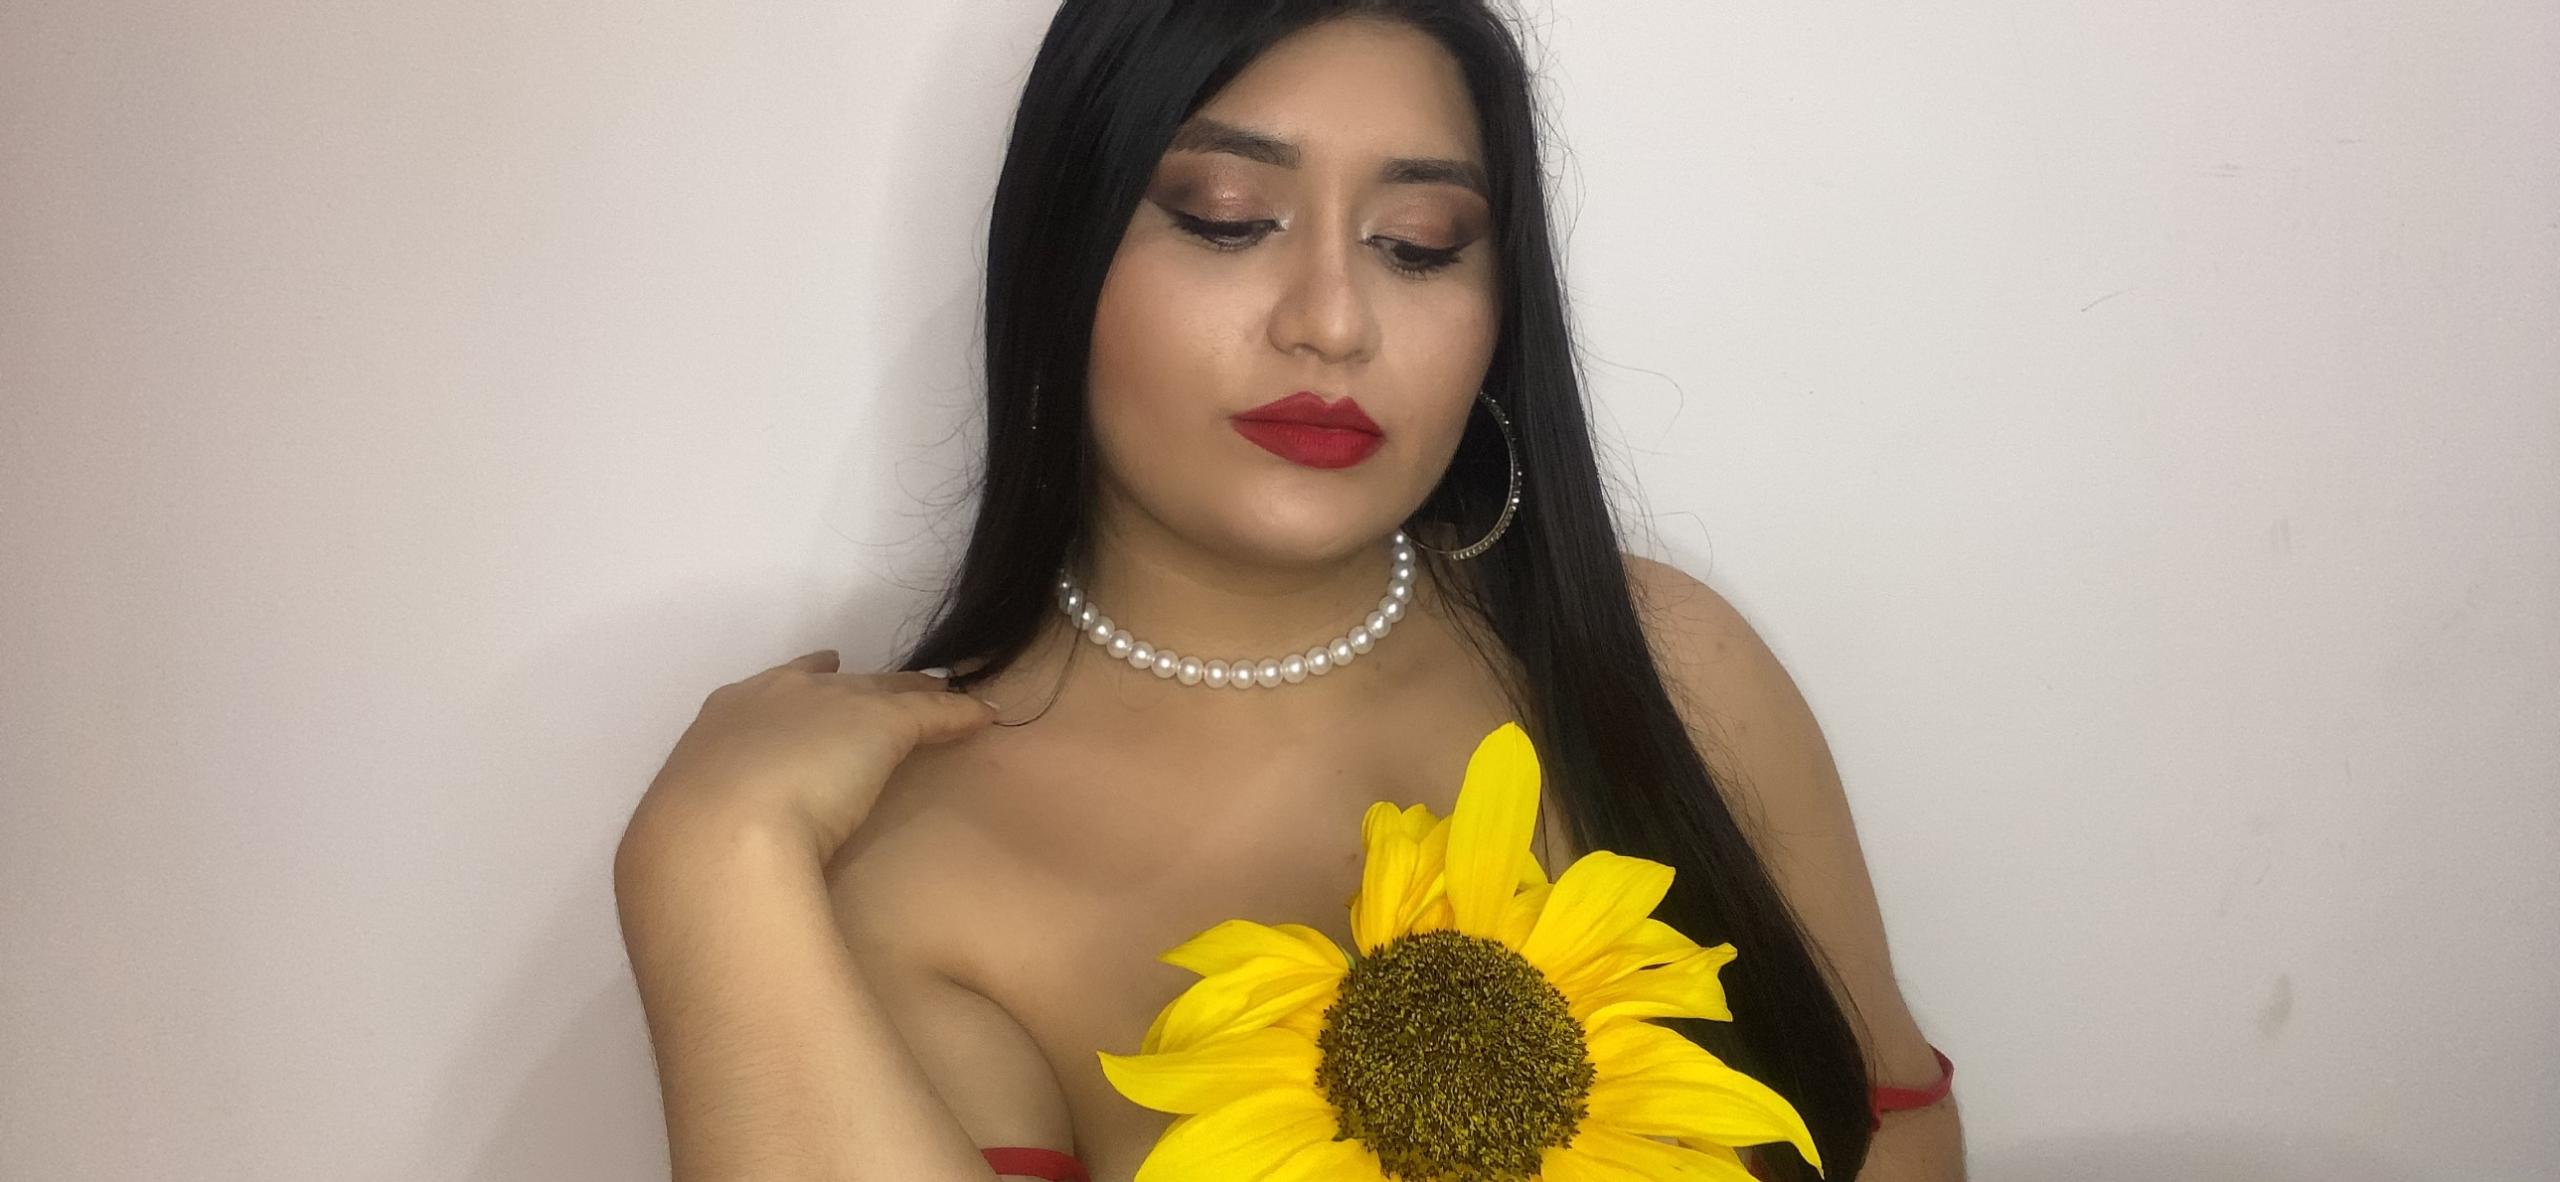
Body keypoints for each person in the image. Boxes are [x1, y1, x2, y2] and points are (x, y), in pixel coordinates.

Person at [612, 3, 1963, 1180]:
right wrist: (706, 862)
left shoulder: (1671, 661)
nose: (1331, 318)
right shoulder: (907, 866)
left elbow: (1892, 1128)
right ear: (1061, 260)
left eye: (1419, 244)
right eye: (1226, 220)